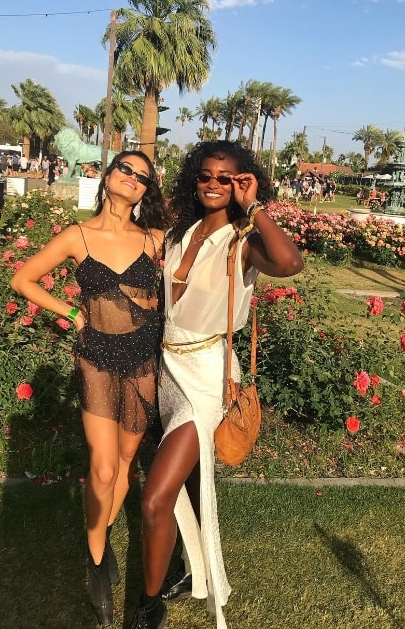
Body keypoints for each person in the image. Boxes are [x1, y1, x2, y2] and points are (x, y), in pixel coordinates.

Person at [129, 141, 303, 629]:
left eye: (226, 178)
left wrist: (255, 208)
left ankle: (149, 603)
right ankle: (192, 569)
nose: (212, 184)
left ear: (242, 182)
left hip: (208, 377)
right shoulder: (181, 234)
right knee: (188, 478)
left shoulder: (242, 240)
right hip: (169, 370)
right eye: (205, 175)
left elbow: (290, 264)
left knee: (155, 497)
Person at [10, 151, 168, 627]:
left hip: (143, 361)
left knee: (124, 460)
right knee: (101, 469)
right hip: (96, 359)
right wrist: (72, 313)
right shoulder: (77, 236)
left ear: (146, 190)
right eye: (127, 169)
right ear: (108, 174)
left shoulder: (156, 240)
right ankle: (97, 558)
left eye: (143, 177)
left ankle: (96, 538)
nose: (134, 179)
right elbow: (23, 279)